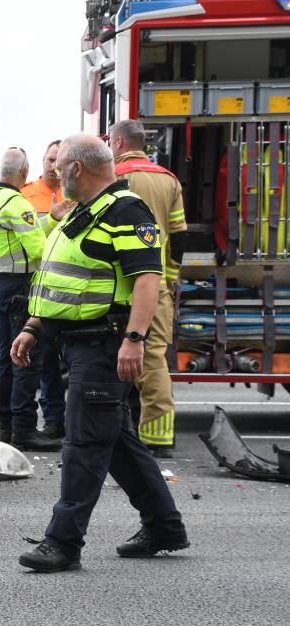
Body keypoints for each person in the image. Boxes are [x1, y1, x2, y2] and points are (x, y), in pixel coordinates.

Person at [13, 133, 188, 572]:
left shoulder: (126, 210)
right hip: (76, 343)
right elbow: (65, 280)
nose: (55, 176)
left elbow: (148, 279)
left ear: (76, 168)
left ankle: (63, 542)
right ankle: (164, 527)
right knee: (118, 442)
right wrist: (34, 326)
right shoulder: (85, 211)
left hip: (103, 345)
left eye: (59, 168)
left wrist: (134, 339)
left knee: (84, 444)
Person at [109, 119, 187, 458]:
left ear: (119, 143)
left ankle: (121, 431)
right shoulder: (168, 180)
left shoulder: (112, 176)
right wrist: (170, 278)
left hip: (119, 283)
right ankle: (159, 435)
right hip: (157, 285)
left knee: (111, 355)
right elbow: (179, 236)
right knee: (154, 356)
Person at [0, 148, 60, 452]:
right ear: (25, 170)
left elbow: (24, 237)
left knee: (5, 359)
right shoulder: (17, 203)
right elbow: (38, 249)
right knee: (26, 357)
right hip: (22, 288)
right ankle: (24, 429)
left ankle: (6, 427)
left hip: (1, 284)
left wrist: (52, 218)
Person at [21, 140, 72, 438]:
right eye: (50, 159)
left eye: (58, 160)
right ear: (42, 160)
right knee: (47, 359)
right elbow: (28, 240)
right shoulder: (26, 194)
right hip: (40, 284)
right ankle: (54, 418)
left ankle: (73, 417)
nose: (53, 165)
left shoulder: (76, 191)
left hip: (70, 284)